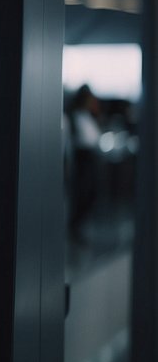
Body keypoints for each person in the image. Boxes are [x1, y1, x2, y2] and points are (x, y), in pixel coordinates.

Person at [67, 83, 102, 243]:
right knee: (82, 193)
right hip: (82, 159)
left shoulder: (88, 117)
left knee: (91, 193)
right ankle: (75, 227)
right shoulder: (74, 117)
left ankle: (79, 226)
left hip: (90, 158)